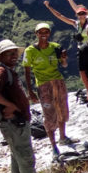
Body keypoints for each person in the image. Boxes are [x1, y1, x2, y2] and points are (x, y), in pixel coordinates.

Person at [0, 39, 53, 173]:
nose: (14, 56)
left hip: (14, 123)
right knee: (26, 158)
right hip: (15, 123)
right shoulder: (2, 72)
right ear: (1, 56)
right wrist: (11, 105)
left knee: (17, 158)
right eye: (9, 53)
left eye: (15, 53)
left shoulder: (7, 71)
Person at [23, 23, 76, 157]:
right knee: (49, 114)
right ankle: (53, 146)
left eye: (46, 32)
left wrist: (63, 58)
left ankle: (63, 137)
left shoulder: (55, 47)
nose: (44, 34)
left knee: (62, 110)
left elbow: (64, 65)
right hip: (43, 85)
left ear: (49, 33)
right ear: (36, 34)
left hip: (58, 82)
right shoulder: (30, 51)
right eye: (41, 32)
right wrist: (30, 91)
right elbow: (27, 71)